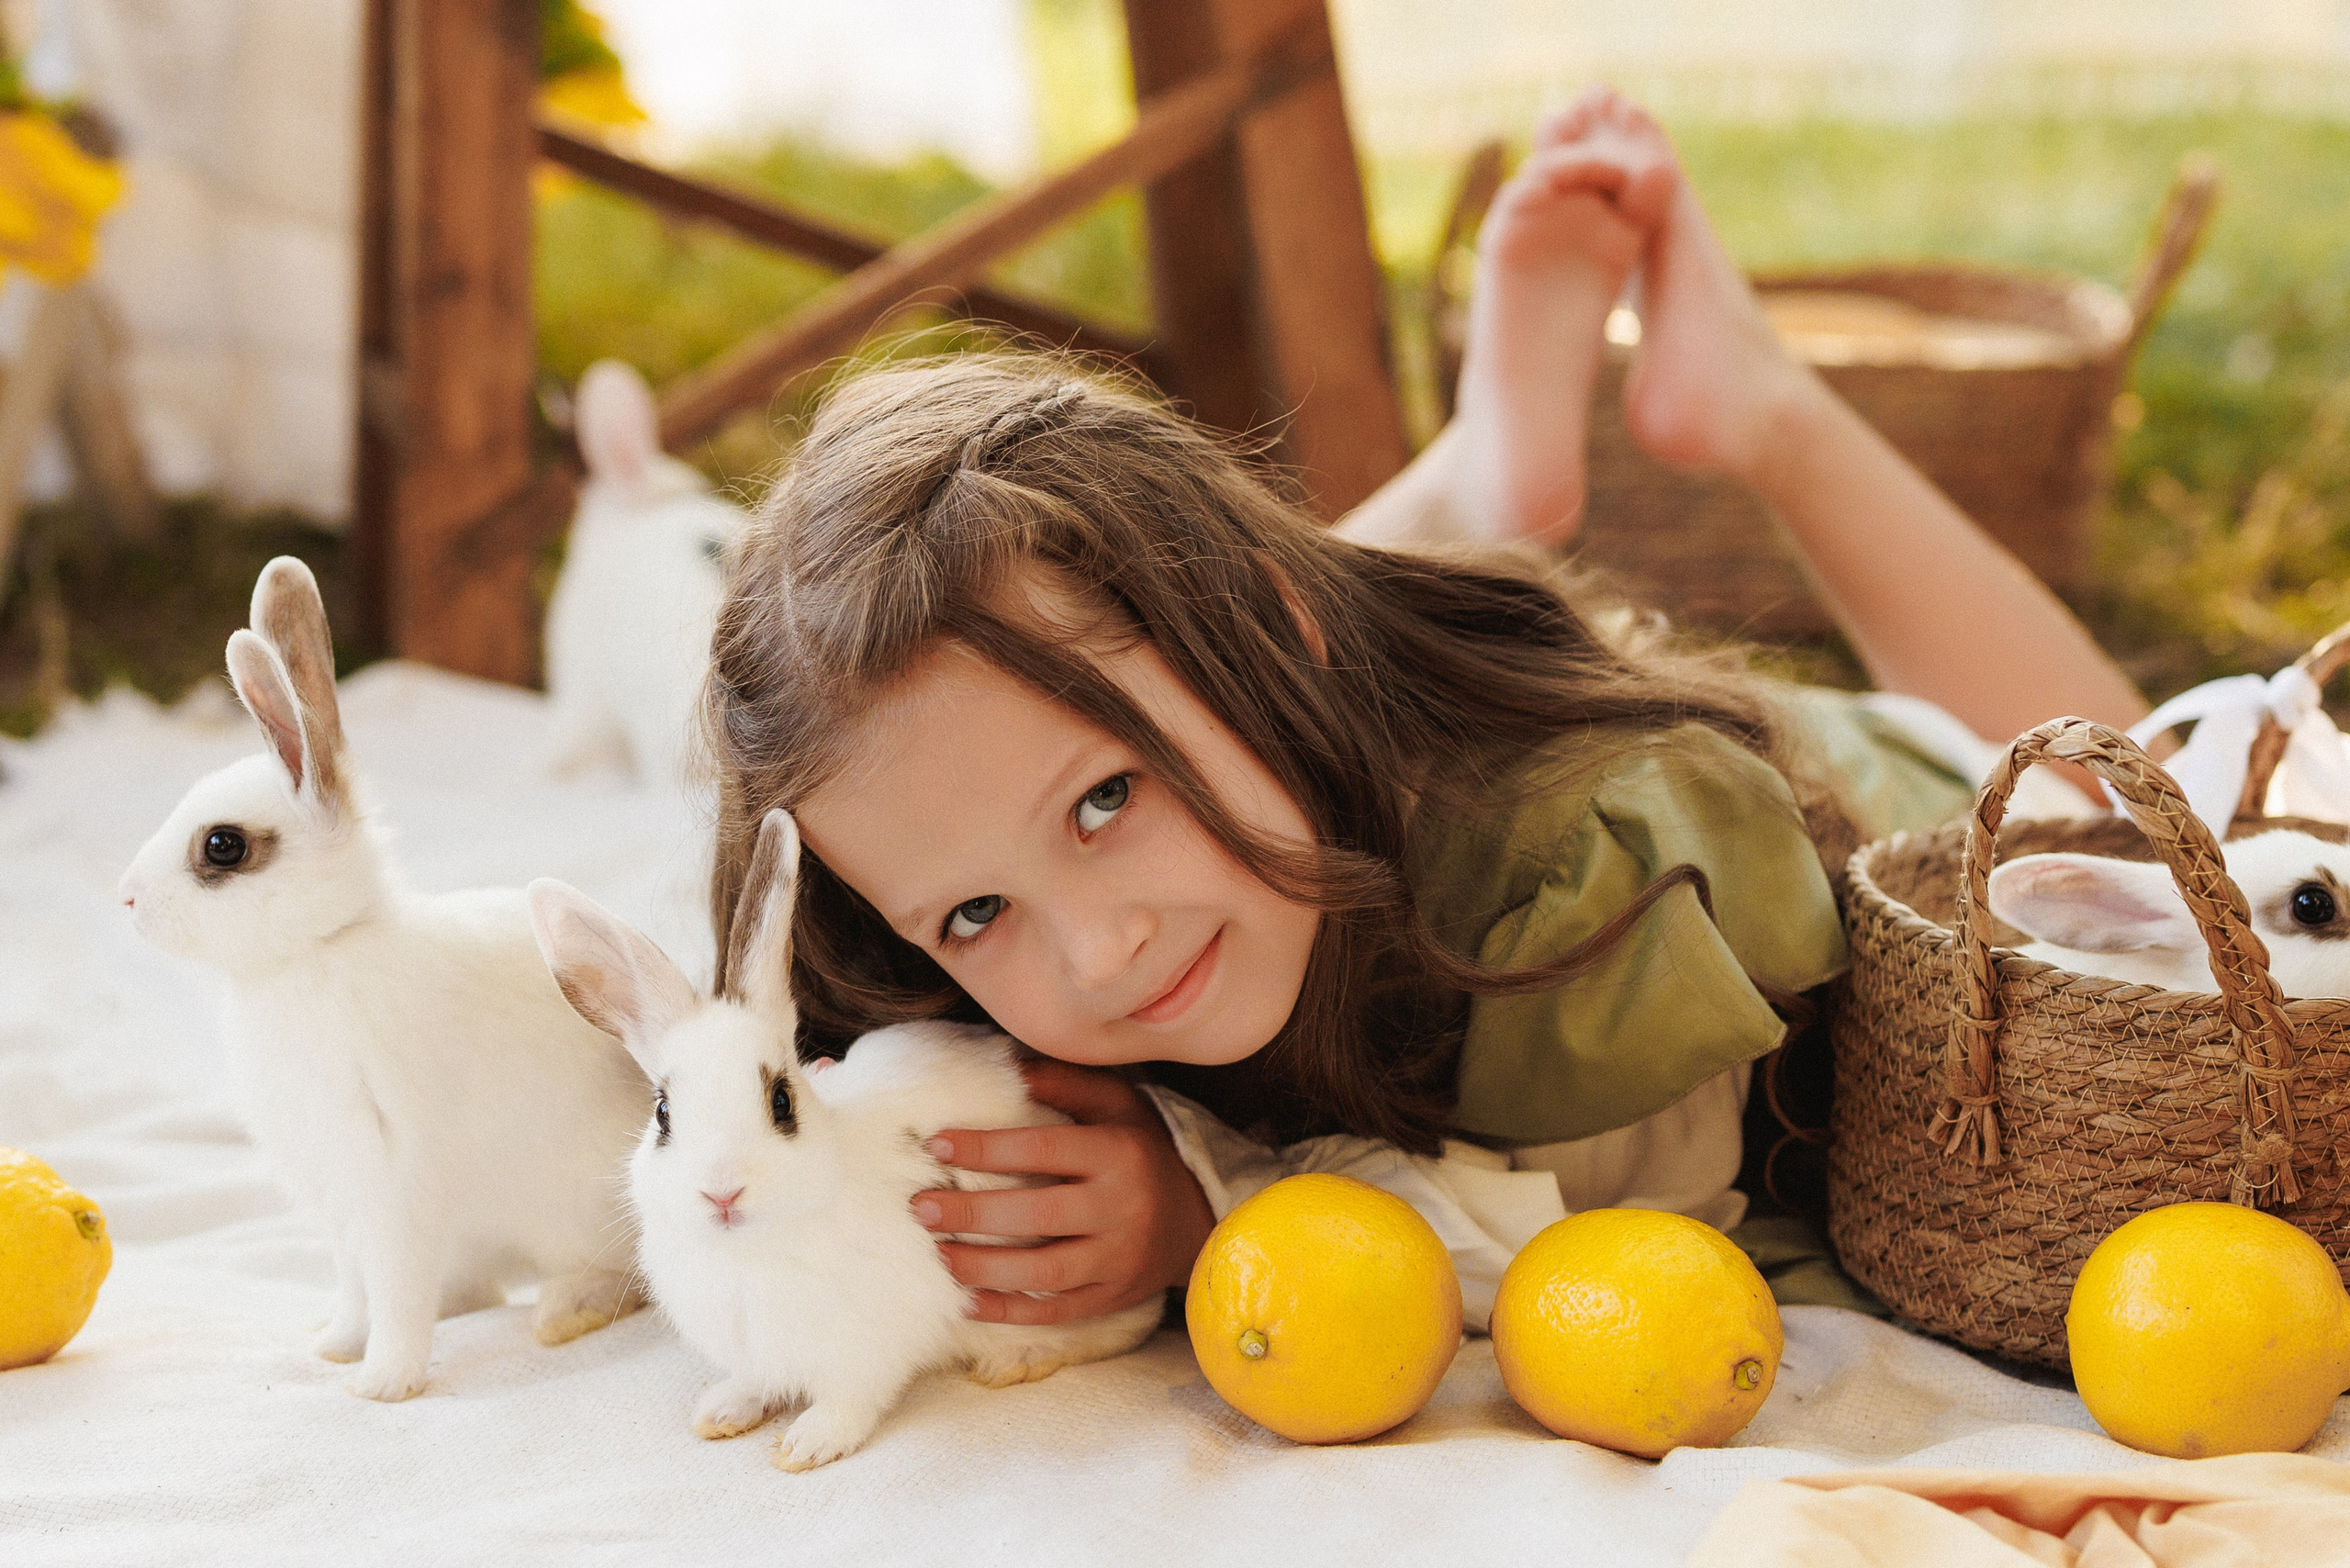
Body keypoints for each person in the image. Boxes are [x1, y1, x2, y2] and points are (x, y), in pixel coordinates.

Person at [699, 88, 2150, 1327]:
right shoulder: (1028, 872)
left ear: (1286, 627)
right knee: (1195, 674)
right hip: (1330, 695)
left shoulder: (1587, 896)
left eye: (1103, 801)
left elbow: (1590, 1228)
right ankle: (1482, 482)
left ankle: (1754, 399)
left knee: (2155, 779)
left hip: (1907, 810)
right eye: (972, 917)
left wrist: (1212, 1212)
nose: (1099, 948)